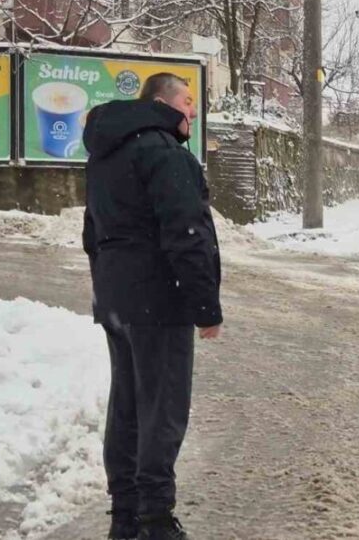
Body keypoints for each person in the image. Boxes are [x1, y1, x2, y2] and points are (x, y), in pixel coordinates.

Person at [81, 73, 222, 540]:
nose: (194, 111)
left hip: (117, 297)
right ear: (163, 102)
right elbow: (187, 233)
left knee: (127, 406)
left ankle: (125, 515)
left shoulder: (107, 152)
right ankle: (156, 522)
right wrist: (205, 306)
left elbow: (92, 232)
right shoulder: (164, 153)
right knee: (162, 409)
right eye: (188, 100)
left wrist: (110, 286)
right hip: (159, 298)